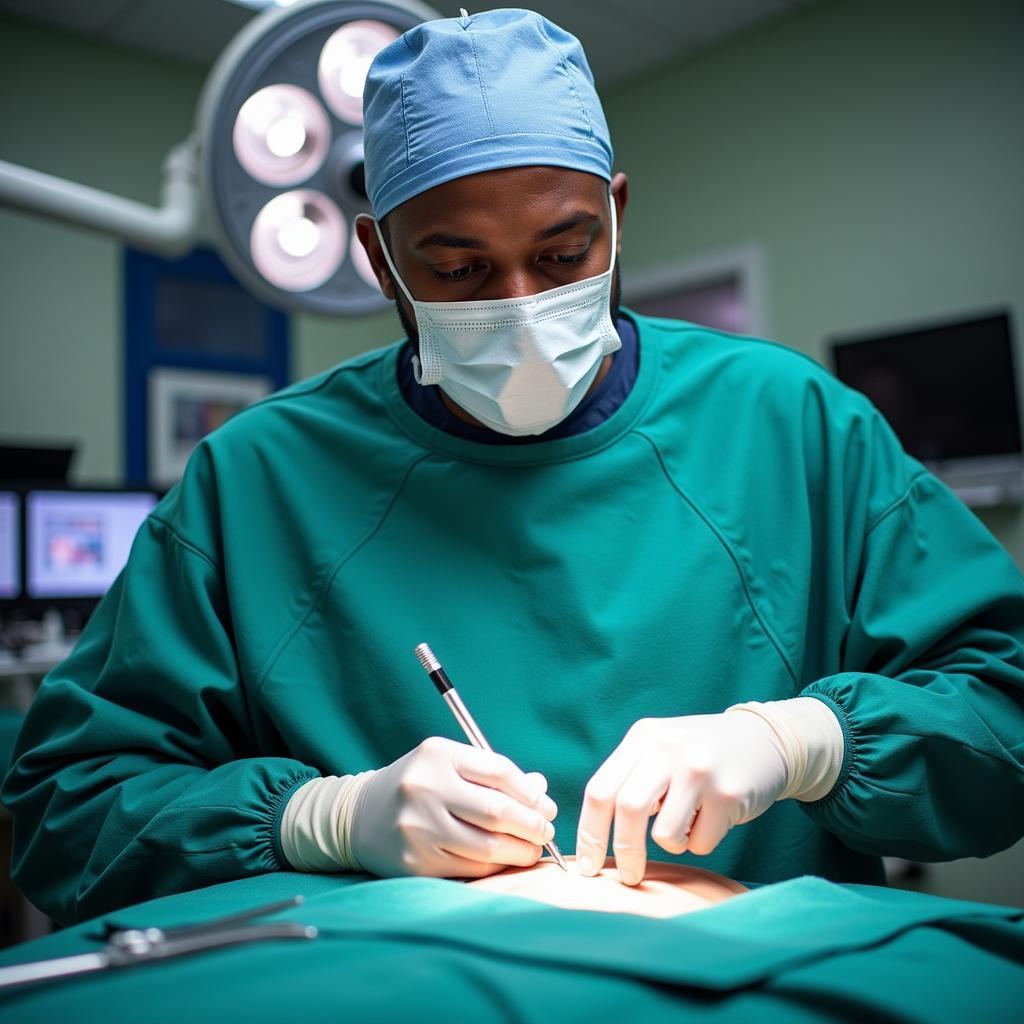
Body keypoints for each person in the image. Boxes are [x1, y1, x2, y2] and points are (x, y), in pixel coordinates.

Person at [3, 8, 1024, 927]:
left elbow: (1003, 718)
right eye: (458, 270)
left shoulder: (791, 427)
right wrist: (317, 818)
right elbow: (64, 810)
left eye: (566, 252)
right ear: (378, 259)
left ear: (617, 215)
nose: (523, 302)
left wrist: (805, 740)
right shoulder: (255, 483)